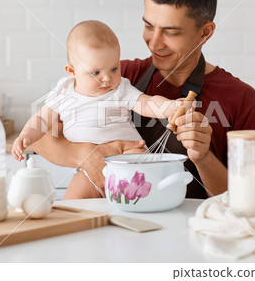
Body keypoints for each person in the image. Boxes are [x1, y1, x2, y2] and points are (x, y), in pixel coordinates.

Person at [33, 0, 255, 199]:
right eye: (148, 26)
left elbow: (250, 199)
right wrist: (84, 153)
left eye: (171, 32)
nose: (154, 43)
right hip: (118, 229)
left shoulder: (241, 99)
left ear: (205, 32)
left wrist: (203, 157)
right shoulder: (117, 78)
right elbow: (38, 136)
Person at [12, 20, 183, 198]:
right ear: (72, 71)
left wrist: (170, 106)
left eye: (114, 69)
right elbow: (41, 120)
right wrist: (25, 136)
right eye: (96, 73)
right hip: (89, 166)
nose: (107, 79)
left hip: (126, 153)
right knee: (73, 200)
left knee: (144, 171)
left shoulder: (120, 89)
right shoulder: (64, 92)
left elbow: (147, 103)